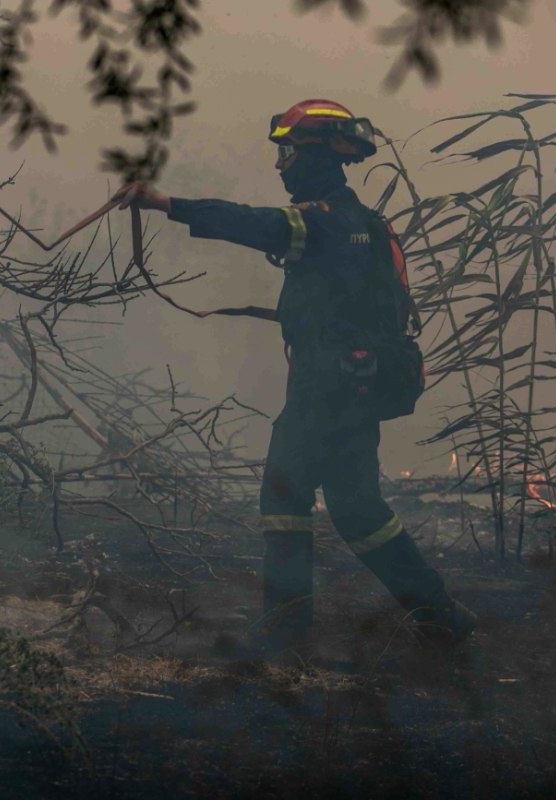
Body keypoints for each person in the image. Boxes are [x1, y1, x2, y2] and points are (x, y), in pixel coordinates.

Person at [113, 99, 475, 651]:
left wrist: (164, 203)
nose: (279, 166)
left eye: (286, 153)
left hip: (327, 388)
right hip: (354, 384)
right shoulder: (362, 222)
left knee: (283, 497)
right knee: (358, 510)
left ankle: (284, 635)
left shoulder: (325, 221)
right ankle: (439, 615)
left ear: (315, 156)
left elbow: (252, 223)